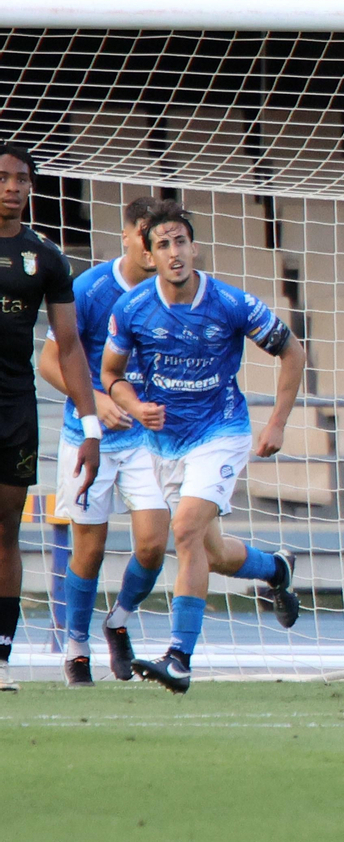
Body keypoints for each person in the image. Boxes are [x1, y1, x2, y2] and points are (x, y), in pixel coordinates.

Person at [102, 199, 306, 694]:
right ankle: (276, 569)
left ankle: (179, 657)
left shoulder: (231, 303)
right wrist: (132, 403)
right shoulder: (131, 309)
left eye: (181, 242)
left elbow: (291, 350)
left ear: (194, 248)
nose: (175, 252)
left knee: (186, 530)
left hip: (221, 431)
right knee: (209, 551)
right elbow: (110, 375)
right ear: (149, 256)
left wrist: (277, 422)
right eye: (163, 245)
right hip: (164, 443)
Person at [38, 197, 170, 686]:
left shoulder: (169, 293)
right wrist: (97, 399)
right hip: (87, 434)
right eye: (147, 238)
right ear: (130, 236)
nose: (155, 249)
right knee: (88, 550)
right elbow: (50, 362)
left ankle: (118, 620)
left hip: (146, 441)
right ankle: (75, 646)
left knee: (154, 544)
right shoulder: (91, 288)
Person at [0, 142, 102, 692]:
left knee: (5, 531)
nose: (12, 187)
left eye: (21, 179)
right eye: (2, 177)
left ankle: (0, 658)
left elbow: (69, 348)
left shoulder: (46, 258)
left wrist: (90, 428)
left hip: (14, 411)